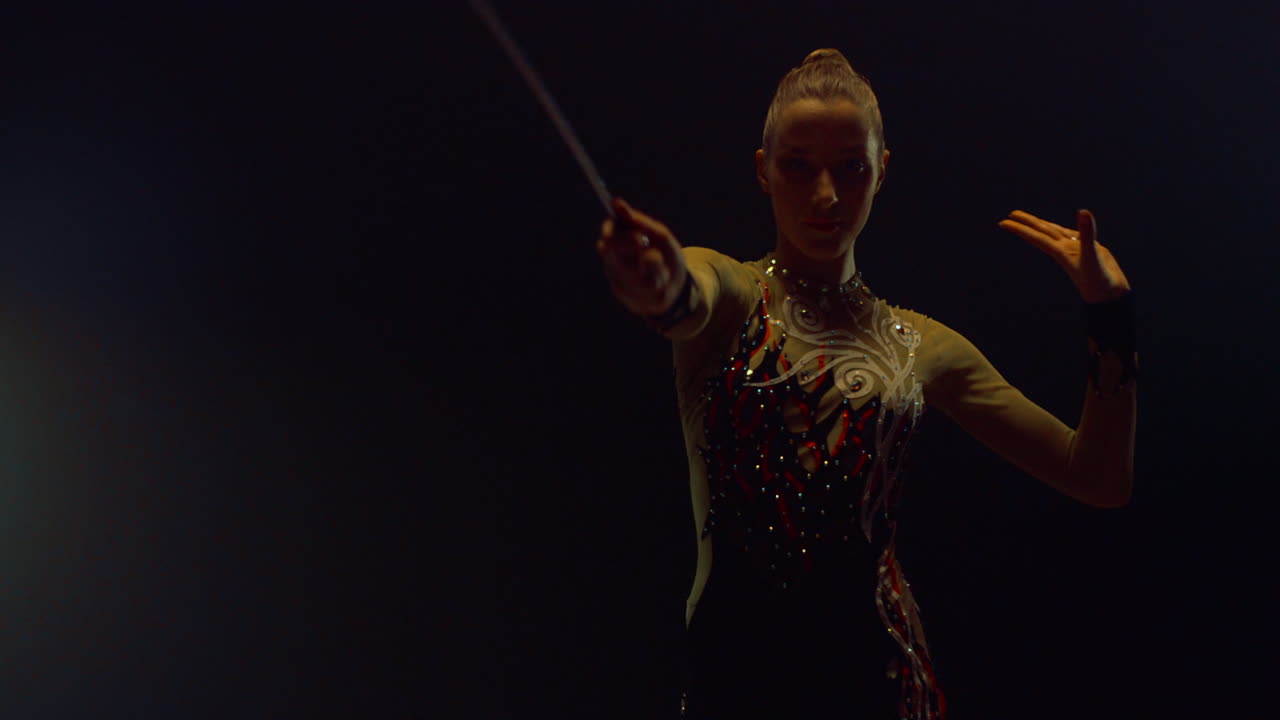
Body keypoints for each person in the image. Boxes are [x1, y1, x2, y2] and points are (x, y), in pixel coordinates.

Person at [595, 48, 1137, 720]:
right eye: (798, 165)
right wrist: (658, 283)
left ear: (882, 170)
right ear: (763, 170)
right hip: (734, 682)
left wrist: (1111, 317)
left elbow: (1098, 478)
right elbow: (686, 291)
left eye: (851, 168)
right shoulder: (731, 296)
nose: (825, 196)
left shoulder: (921, 345)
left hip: (880, 685)